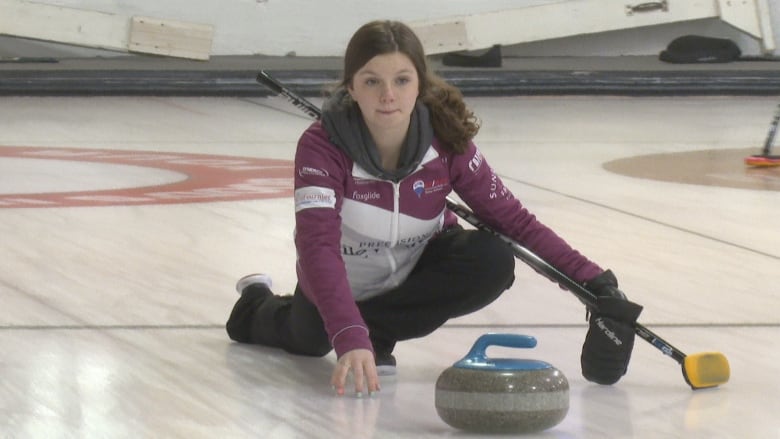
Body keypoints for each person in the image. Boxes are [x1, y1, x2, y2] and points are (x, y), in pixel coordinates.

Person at [226, 20, 643, 397]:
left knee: (492, 259)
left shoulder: (446, 141)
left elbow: (514, 221)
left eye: (401, 80)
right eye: (372, 81)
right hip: (336, 284)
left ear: (419, 85)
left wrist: (594, 282)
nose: (388, 95)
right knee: (309, 340)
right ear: (350, 87)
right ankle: (255, 301)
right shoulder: (320, 147)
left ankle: (376, 333)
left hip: (411, 272)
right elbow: (317, 248)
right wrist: (349, 333)